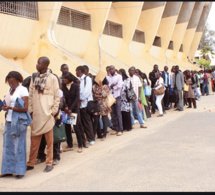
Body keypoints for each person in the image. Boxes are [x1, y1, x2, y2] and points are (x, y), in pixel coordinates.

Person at [27, 56, 60, 172]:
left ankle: (49, 163)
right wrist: (31, 110)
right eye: (37, 62)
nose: (37, 65)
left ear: (45, 65)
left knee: (49, 143)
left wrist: (53, 112)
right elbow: (30, 95)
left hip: (47, 116)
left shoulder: (52, 78)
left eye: (39, 63)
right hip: (36, 115)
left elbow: (57, 96)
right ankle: (30, 163)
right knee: (34, 142)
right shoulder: (34, 77)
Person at [0, 71, 32, 179]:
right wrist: (5, 106)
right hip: (9, 121)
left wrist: (10, 108)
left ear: (18, 80)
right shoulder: (10, 90)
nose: (10, 84)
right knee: (7, 146)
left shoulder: (23, 90)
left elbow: (25, 108)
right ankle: (8, 170)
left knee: (19, 146)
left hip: (19, 121)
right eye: (9, 82)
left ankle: (20, 171)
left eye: (12, 82)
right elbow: (8, 103)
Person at [62, 72, 85, 152]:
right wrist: (65, 107)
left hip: (74, 109)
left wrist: (71, 108)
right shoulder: (63, 87)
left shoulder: (75, 86)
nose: (64, 80)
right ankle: (70, 144)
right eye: (63, 78)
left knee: (76, 127)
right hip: (66, 109)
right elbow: (63, 97)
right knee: (67, 127)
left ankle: (80, 144)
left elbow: (77, 98)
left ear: (69, 79)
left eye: (65, 78)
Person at [76, 66, 95, 145]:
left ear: (80, 71)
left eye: (76, 71)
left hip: (85, 103)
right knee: (81, 123)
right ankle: (84, 139)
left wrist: (80, 99)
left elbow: (86, 92)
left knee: (87, 122)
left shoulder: (87, 79)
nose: (76, 73)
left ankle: (91, 138)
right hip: (79, 104)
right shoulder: (78, 80)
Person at [106, 65, 123, 136]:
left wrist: (113, 86)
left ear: (115, 69)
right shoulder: (107, 77)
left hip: (117, 97)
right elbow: (107, 87)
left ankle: (120, 129)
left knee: (118, 114)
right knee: (113, 114)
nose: (111, 70)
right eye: (110, 69)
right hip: (110, 97)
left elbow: (120, 86)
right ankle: (116, 129)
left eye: (112, 69)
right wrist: (111, 86)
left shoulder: (119, 76)